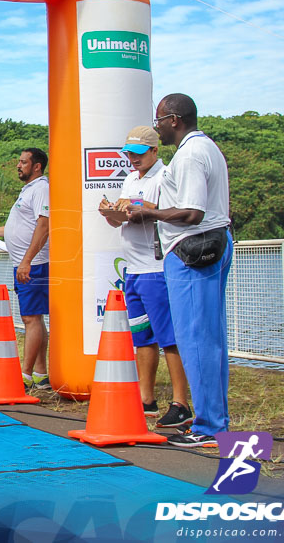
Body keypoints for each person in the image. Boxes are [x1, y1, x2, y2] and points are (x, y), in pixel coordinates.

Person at [127, 94, 233, 448]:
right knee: (210, 337)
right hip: (211, 243)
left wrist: (150, 213)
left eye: (158, 120)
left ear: (174, 119)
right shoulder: (206, 148)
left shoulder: (189, 154)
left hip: (193, 250)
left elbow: (192, 213)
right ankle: (214, 419)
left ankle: (208, 427)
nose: (156, 126)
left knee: (196, 340)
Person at [99, 126, 192, 428]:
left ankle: (181, 403)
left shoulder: (165, 177)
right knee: (143, 338)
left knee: (170, 339)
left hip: (157, 267)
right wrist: (109, 211)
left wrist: (135, 206)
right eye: (128, 153)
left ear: (154, 151)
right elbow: (119, 221)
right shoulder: (130, 179)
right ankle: (146, 399)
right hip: (134, 269)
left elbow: (170, 211)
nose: (132, 159)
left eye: (138, 154)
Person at [0, 148, 50, 391]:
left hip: (34, 263)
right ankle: (40, 373)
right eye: (19, 162)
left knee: (30, 318)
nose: (18, 166)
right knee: (35, 317)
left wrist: (27, 260)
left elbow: (44, 224)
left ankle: (26, 374)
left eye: (23, 162)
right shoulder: (29, 190)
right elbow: (19, 225)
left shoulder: (41, 188)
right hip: (24, 262)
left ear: (37, 166)